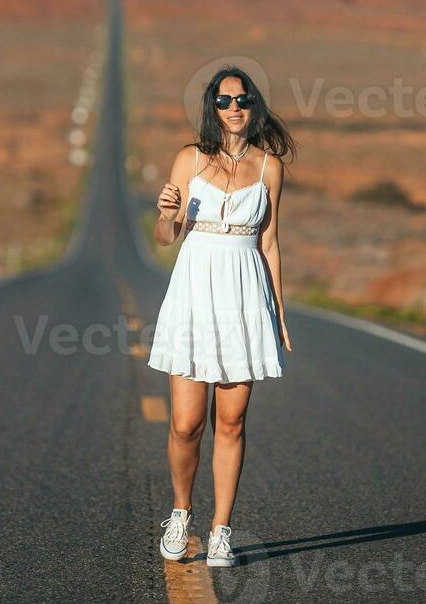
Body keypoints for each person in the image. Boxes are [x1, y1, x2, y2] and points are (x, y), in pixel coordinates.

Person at [147, 65, 297, 568]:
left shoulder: (269, 166)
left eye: (243, 99)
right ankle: (182, 512)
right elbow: (166, 238)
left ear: (255, 106)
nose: (234, 108)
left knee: (231, 421)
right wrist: (167, 214)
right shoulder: (188, 160)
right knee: (187, 423)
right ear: (211, 107)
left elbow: (271, 244)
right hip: (193, 292)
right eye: (224, 100)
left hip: (244, 296)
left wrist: (277, 313)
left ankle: (220, 532)